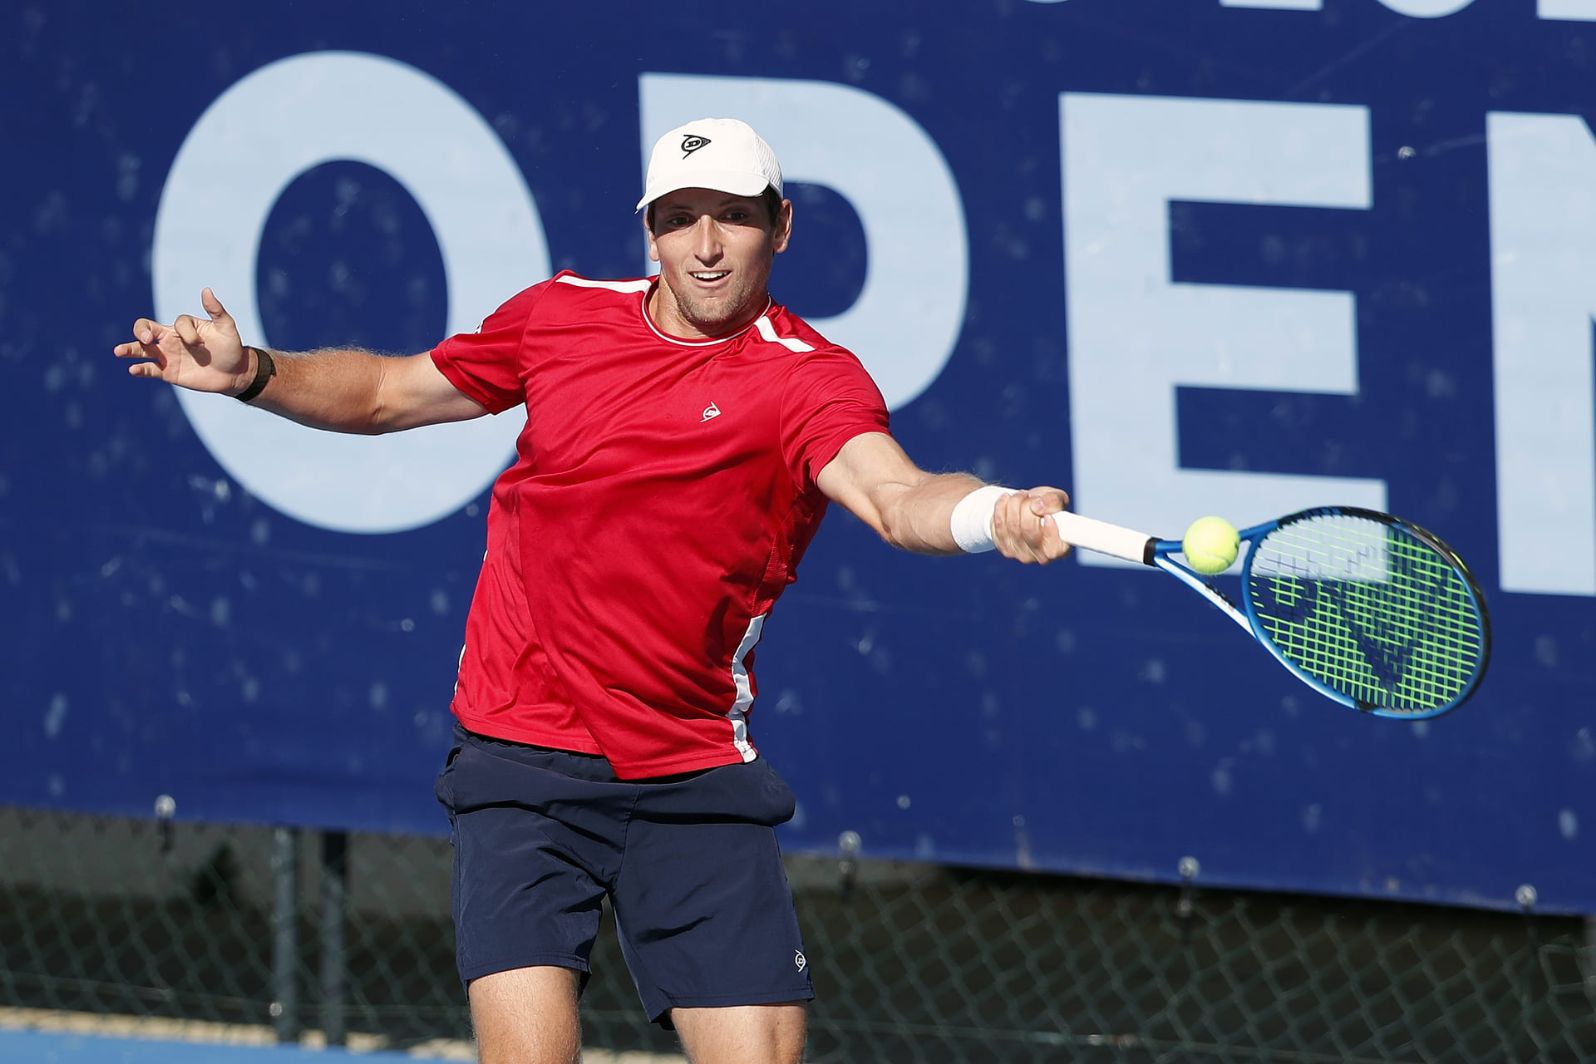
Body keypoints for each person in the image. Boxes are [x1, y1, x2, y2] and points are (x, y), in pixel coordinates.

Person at [115, 117, 1071, 1064]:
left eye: (733, 217)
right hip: (523, 761)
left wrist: (989, 512)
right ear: (647, 228)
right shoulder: (561, 316)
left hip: (693, 770)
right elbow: (385, 393)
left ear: (780, 227)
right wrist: (255, 374)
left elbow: (895, 494)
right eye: (680, 217)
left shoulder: (808, 382)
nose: (704, 246)